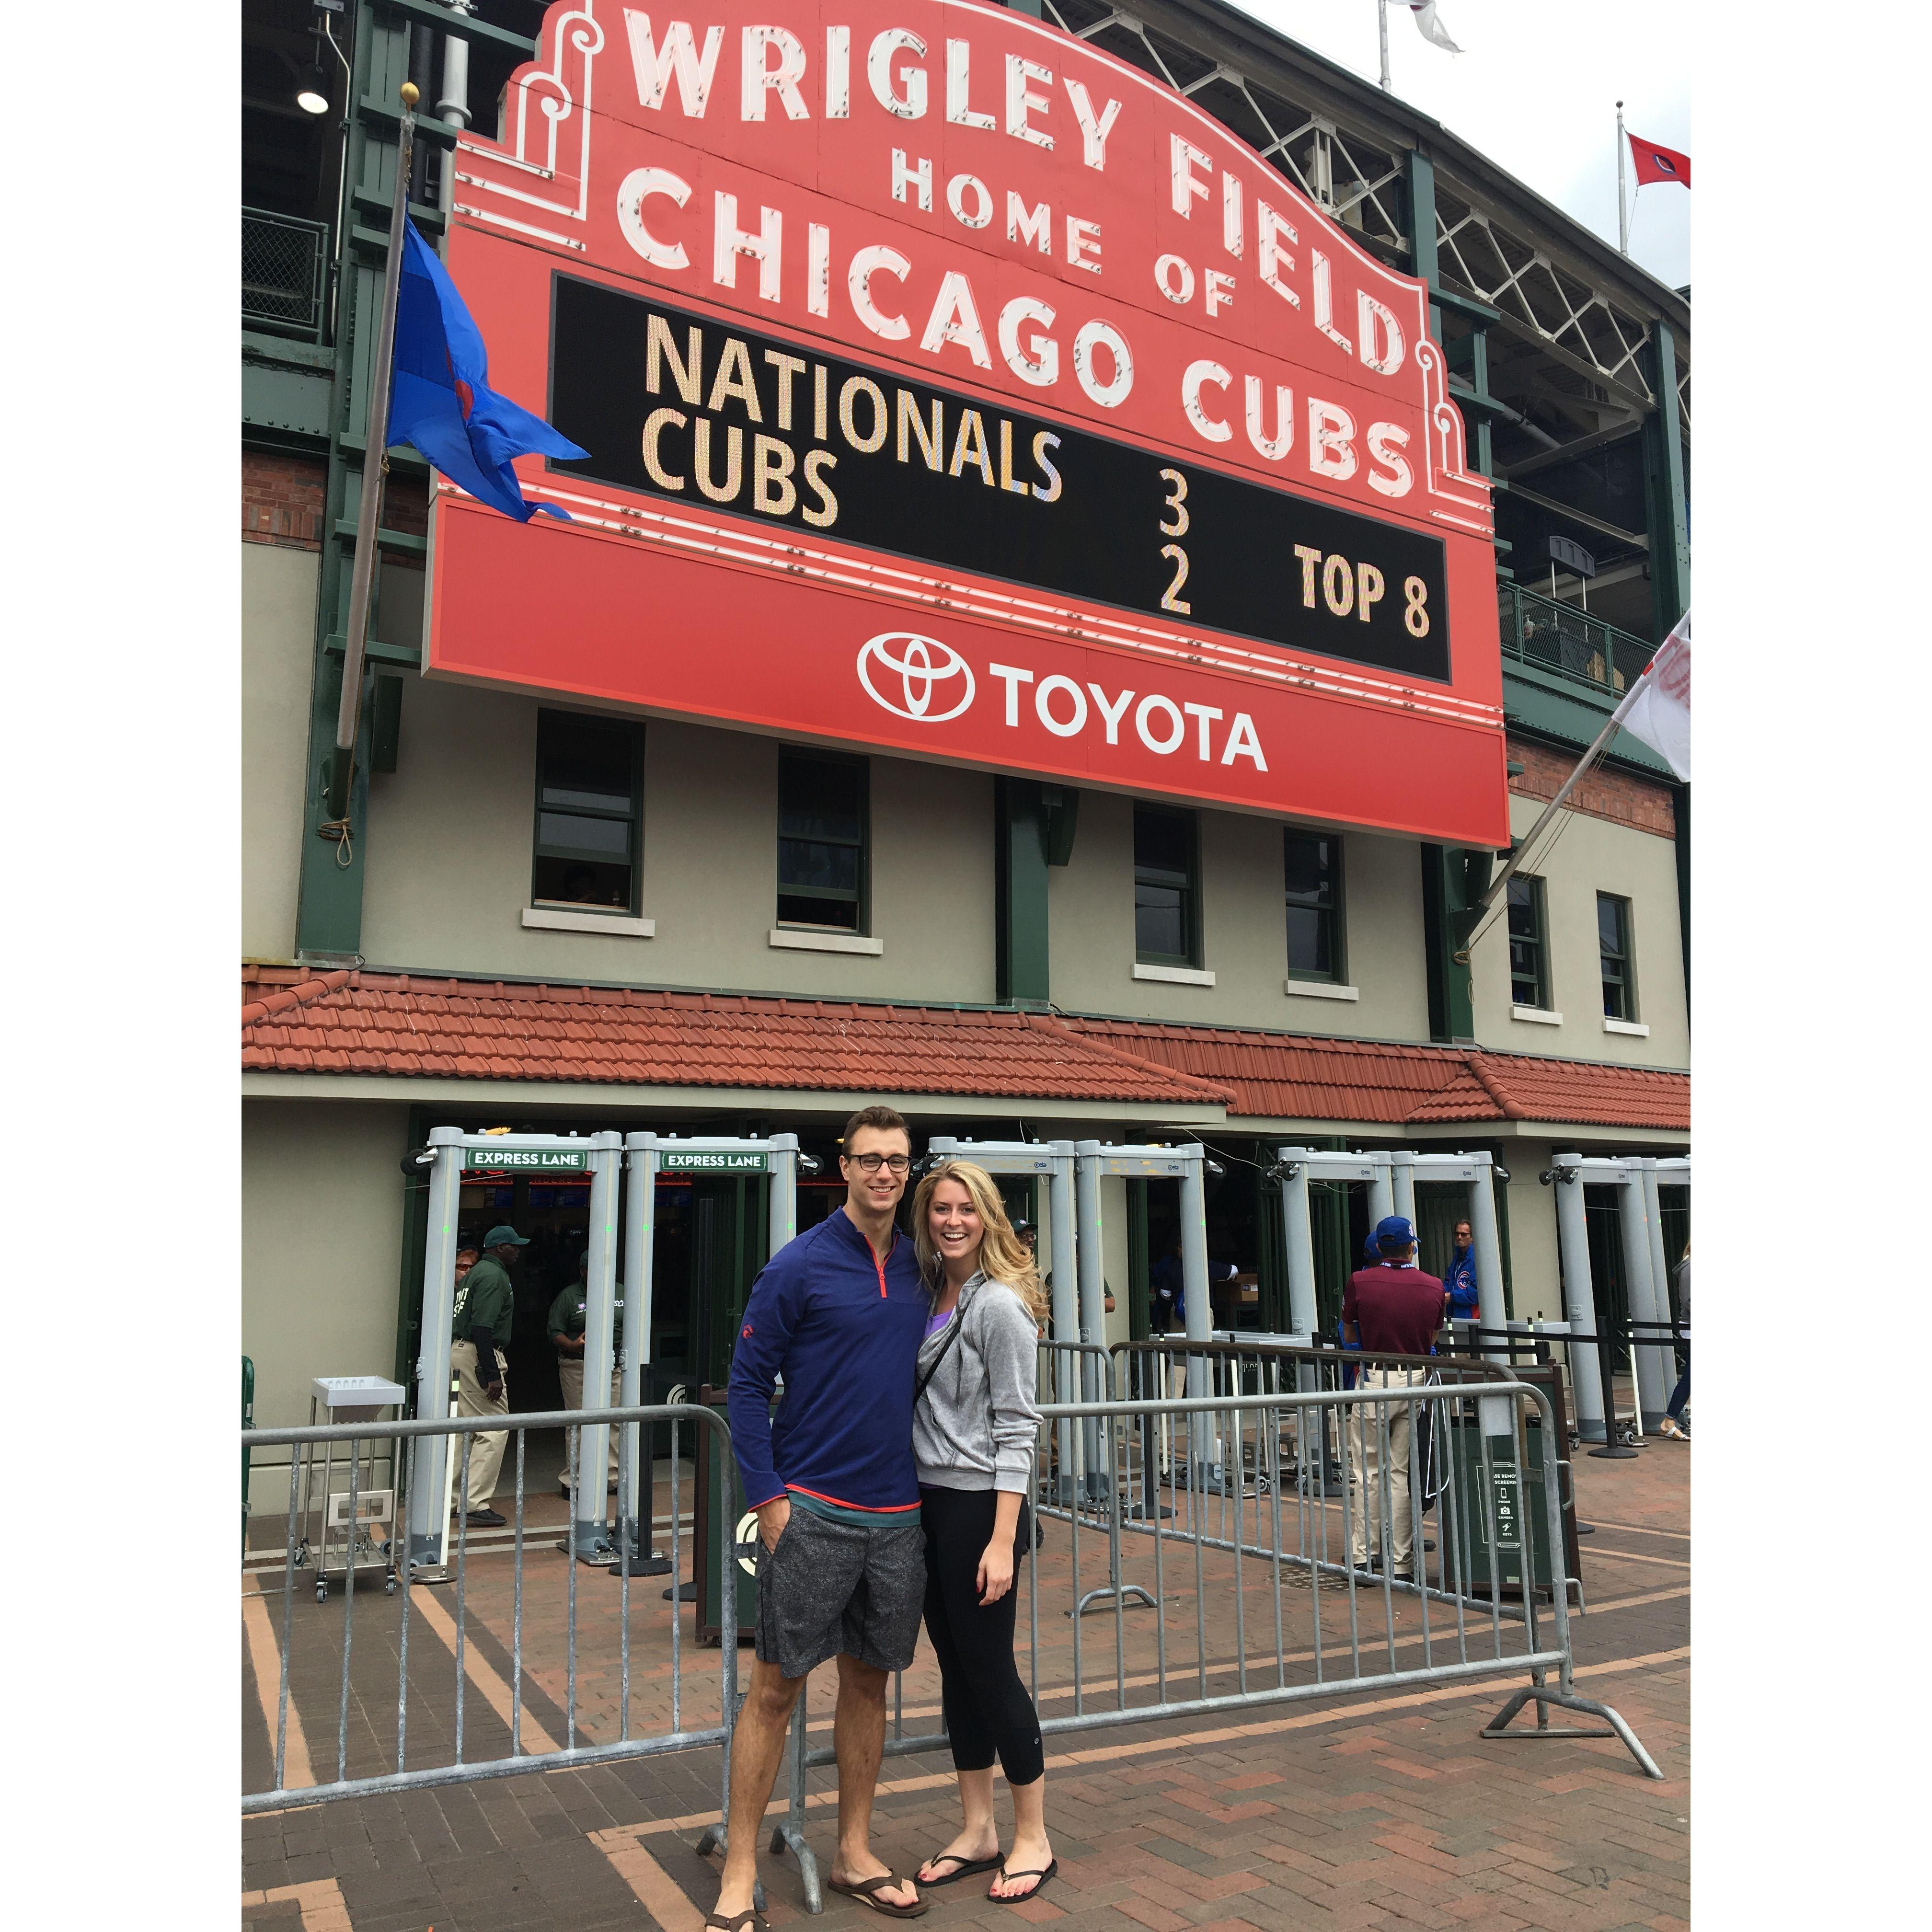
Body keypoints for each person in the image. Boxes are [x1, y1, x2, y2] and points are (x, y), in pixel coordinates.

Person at [710, 1106, 931, 1929]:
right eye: (870, 1159)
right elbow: (745, 1384)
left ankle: (854, 1851)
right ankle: (739, 1867)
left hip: (898, 1515)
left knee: (869, 1685)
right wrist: (768, 1497)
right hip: (813, 1510)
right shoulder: (797, 1265)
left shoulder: (923, 1266)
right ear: (843, 1166)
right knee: (774, 1690)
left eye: (897, 1160)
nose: (884, 1173)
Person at [907, 1162, 1053, 1906]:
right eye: (941, 1208)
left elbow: (1018, 1426)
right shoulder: (929, 1292)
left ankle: (1034, 1836)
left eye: (967, 1208)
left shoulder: (997, 1305)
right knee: (957, 1671)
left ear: (988, 1217)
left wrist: (1003, 1540)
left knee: (992, 1670)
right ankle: (977, 1828)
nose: (953, 1220)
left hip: (979, 1508)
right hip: (928, 1502)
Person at [1340, 1216, 1449, 1582]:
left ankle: (1363, 1556)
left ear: (1379, 1247)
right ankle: (1402, 1562)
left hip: (1375, 1377)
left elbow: (1350, 1333)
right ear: (1411, 1247)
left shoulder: (1360, 1282)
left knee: (1367, 1473)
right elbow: (1433, 1336)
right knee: (1402, 1473)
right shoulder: (1433, 1286)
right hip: (1415, 1379)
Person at [452, 1226, 525, 1528]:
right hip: (477, 1354)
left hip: (460, 1351)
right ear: (500, 1248)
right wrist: (492, 1374)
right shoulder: (494, 1275)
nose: (518, 1250)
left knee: (463, 1429)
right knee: (494, 1428)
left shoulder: (475, 1273)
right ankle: (474, 1503)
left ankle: (452, 1498)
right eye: (513, 1245)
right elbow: (482, 1327)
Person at [549, 1249, 624, 1496]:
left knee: (614, 1421)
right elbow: (554, 1332)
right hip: (577, 1365)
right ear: (583, 1271)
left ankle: (611, 1478)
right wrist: (572, 1345)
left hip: (613, 1366)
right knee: (579, 1421)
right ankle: (574, 1480)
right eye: (594, 1268)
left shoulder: (622, 1292)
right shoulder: (569, 1296)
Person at [1657, 1242, 1690, 1440]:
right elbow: (1689, 1301)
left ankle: (1669, 1421)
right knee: (1690, 1378)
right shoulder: (1690, 1268)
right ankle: (1669, 1421)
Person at [1443, 1220, 1480, 1323]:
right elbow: (1448, 1281)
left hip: (1471, 1317)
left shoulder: (1476, 1258)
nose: (1459, 1237)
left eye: (1464, 1234)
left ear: (1472, 1237)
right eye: (1457, 1234)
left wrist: (1451, 1297)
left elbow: (1475, 1293)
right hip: (1455, 1314)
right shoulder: (1458, 1258)